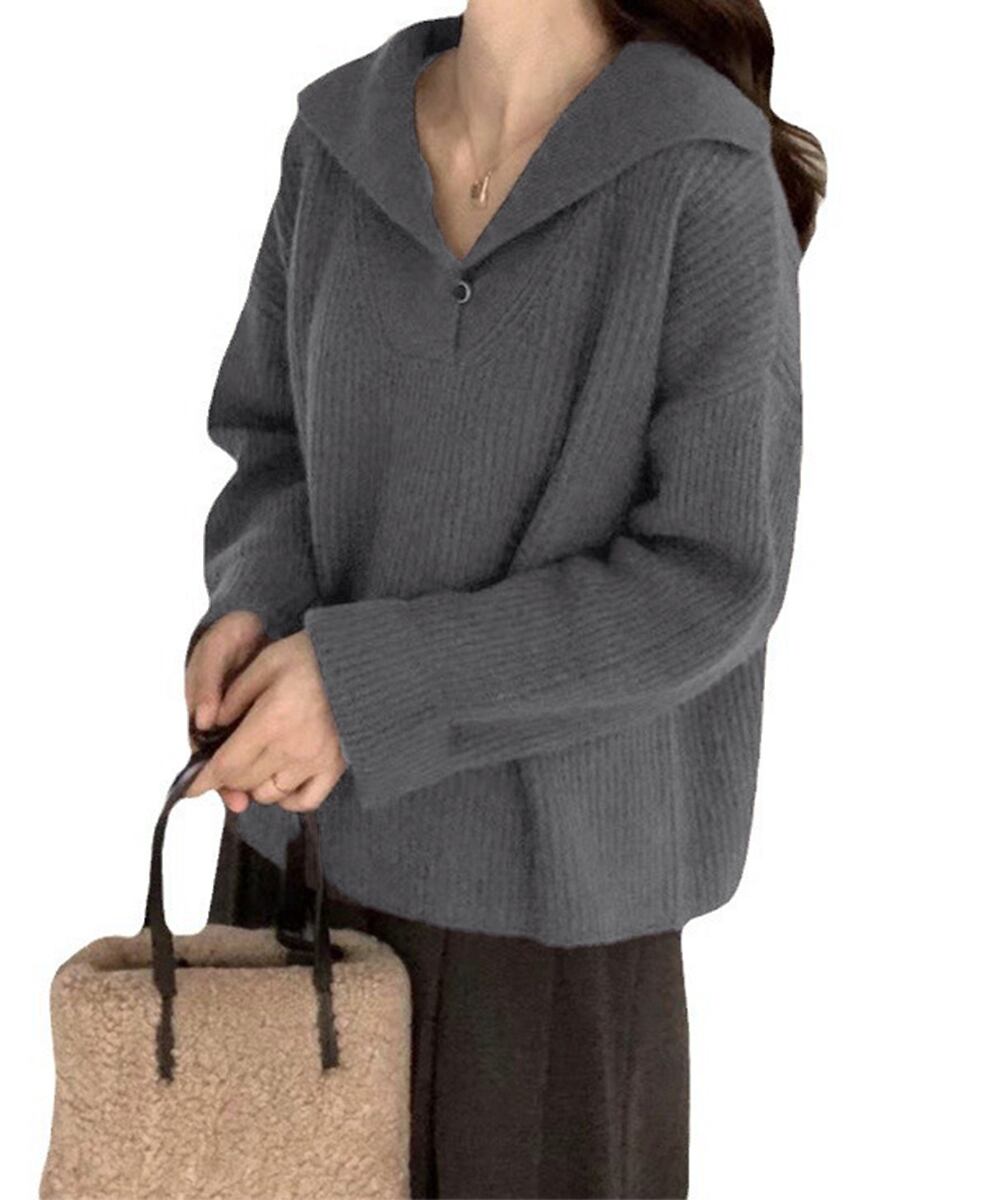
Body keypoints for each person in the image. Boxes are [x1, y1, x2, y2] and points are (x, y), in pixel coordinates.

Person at [182, 2, 825, 1196]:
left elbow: (709, 577)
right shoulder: (338, 138)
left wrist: (362, 689)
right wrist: (252, 611)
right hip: (293, 883)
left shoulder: (699, 173)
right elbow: (271, 442)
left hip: (543, 934)